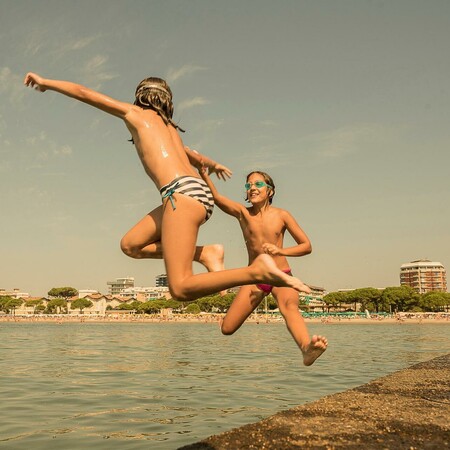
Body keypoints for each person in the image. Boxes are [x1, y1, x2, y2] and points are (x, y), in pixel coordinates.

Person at [24, 72, 306, 301]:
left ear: (140, 98)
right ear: (167, 102)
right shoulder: (170, 129)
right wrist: (214, 164)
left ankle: (255, 272)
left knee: (181, 288)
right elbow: (194, 156)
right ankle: (205, 253)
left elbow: (85, 93)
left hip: (179, 194)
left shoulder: (135, 114)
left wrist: (47, 83)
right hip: (191, 192)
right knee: (131, 245)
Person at [200, 169, 327, 365]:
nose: (252, 188)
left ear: (270, 191)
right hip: (255, 278)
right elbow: (216, 197)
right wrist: (204, 173)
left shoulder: (282, 215)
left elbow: (306, 246)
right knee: (227, 329)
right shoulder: (243, 213)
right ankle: (225, 319)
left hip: (281, 275)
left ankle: (306, 349)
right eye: (248, 185)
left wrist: (280, 251)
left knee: (289, 307)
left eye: (258, 184)